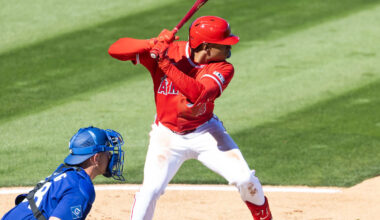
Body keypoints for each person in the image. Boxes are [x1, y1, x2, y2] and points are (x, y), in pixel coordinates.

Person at [108, 16, 272, 220]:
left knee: (245, 179)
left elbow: (199, 93)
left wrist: (164, 64)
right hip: (166, 136)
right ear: (206, 47)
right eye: (225, 45)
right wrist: (150, 43)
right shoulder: (169, 52)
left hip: (206, 132)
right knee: (150, 191)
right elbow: (115, 49)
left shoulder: (223, 68)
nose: (230, 49)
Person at [1, 126, 125, 220]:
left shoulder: (64, 173)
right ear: (96, 158)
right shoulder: (80, 187)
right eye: (107, 151)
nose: (110, 155)